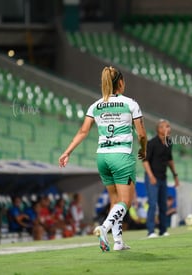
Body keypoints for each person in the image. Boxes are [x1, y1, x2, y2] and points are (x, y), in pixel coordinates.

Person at [59, 66, 147, 252]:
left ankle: (118, 242)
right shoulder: (130, 103)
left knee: (114, 201)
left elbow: (83, 131)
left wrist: (67, 152)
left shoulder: (95, 106)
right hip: (121, 156)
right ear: (121, 83)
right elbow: (142, 135)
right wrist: (144, 150)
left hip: (102, 157)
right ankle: (104, 227)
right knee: (125, 202)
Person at [143, 119, 179, 238]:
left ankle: (163, 230)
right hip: (152, 178)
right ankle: (151, 231)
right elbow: (145, 161)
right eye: (165, 126)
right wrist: (151, 176)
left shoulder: (169, 142)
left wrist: (175, 175)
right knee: (152, 204)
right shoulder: (152, 143)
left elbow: (170, 160)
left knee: (163, 204)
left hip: (163, 178)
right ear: (159, 129)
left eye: (169, 126)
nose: (168, 129)